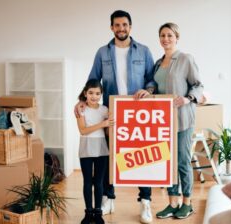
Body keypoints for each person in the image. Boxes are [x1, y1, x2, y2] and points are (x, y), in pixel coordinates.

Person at [74, 10, 156, 224]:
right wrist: (82, 100)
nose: (121, 28)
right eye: (117, 25)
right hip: (111, 111)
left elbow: (151, 79)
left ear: (130, 26)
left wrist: (148, 90)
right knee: (110, 156)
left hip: (137, 112)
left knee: (141, 154)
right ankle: (108, 198)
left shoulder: (144, 51)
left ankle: (145, 201)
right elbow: (93, 80)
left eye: (125, 25)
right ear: (111, 27)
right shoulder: (102, 52)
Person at [136, 22, 204, 219]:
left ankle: (187, 203)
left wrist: (188, 98)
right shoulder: (158, 63)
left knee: (182, 160)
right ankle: (173, 202)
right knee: (168, 162)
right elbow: (155, 87)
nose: (166, 39)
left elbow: (198, 85)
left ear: (177, 38)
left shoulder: (185, 59)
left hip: (182, 119)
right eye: (163, 36)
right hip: (164, 122)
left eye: (169, 35)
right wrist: (148, 92)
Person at [76, 79, 114, 224]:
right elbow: (83, 130)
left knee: (99, 182)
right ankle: (88, 212)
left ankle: (98, 212)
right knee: (87, 181)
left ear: (101, 94)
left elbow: (107, 132)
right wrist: (102, 123)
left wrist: (109, 123)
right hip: (86, 147)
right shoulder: (81, 109)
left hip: (101, 148)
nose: (94, 96)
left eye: (98, 93)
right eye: (91, 93)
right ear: (85, 93)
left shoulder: (104, 110)